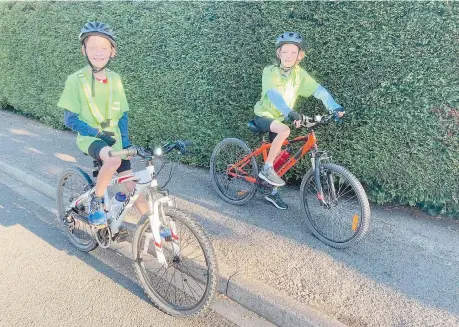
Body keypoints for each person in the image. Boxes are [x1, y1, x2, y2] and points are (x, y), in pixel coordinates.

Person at [57, 22, 148, 229]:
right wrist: (96, 132)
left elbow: (122, 115)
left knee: (131, 186)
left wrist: (126, 143)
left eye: (104, 47)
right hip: (90, 138)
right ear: (84, 50)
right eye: (93, 47)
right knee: (112, 160)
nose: (99, 52)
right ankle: (97, 202)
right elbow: (70, 120)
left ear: (112, 52)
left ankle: (153, 225)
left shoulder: (115, 79)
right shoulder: (75, 80)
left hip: (114, 138)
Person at [253, 31, 345, 210]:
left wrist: (334, 107)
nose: (288, 56)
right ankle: (266, 170)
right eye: (285, 52)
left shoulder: (299, 75)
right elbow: (273, 94)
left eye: (293, 53)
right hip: (264, 115)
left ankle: (269, 190)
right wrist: (290, 113)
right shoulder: (269, 71)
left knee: (284, 153)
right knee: (284, 131)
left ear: (299, 56)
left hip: (281, 118)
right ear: (279, 53)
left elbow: (319, 91)